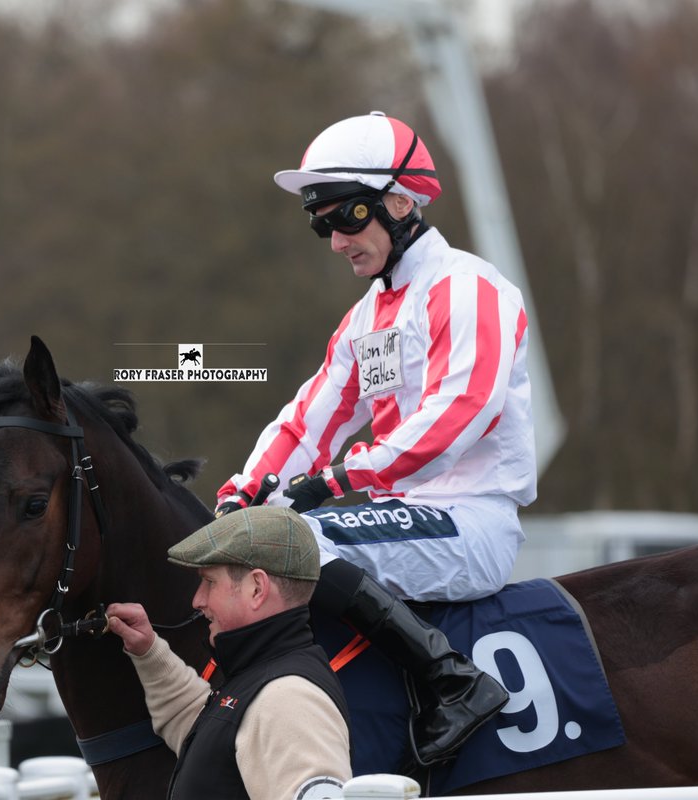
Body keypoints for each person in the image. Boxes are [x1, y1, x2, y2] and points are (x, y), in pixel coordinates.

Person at [216, 111, 537, 766]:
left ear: (399, 202)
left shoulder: (470, 289)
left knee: (301, 540)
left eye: (346, 217)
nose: (335, 240)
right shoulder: (366, 317)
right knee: (262, 533)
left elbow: (462, 410)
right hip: (406, 515)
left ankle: (453, 680)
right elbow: (312, 416)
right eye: (320, 222)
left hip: (472, 520)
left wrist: (340, 478)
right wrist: (242, 493)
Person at [107, 506, 352, 800]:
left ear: (256, 588)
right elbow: (212, 738)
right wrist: (149, 652)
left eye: (210, 582)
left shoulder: (289, 700)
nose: (197, 600)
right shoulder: (265, 680)